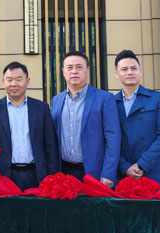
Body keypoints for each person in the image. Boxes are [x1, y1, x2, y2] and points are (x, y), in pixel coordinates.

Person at [0, 61, 59, 190]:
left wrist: (52, 177)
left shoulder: (41, 108)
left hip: (36, 175)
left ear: (27, 81)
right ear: (3, 82)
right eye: (9, 80)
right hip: (4, 176)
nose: (13, 84)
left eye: (18, 79)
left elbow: (50, 146)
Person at [50, 51, 120, 187]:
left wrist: (108, 173)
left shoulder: (104, 98)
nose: (74, 71)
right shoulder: (56, 100)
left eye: (79, 67)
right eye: (69, 67)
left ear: (87, 70)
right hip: (63, 172)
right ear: (63, 71)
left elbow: (113, 138)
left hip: (94, 172)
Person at [113, 49, 160, 185]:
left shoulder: (156, 99)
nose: (130, 72)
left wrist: (142, 164)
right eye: (124, 69)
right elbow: (109, 142)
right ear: (117, 74)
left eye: (133, 68)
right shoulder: (111, 103)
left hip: (156, 172)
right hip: (125, 175)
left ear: (140, 71)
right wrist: (125, 167)